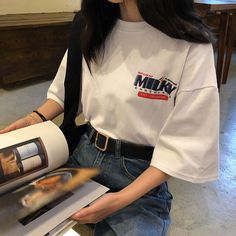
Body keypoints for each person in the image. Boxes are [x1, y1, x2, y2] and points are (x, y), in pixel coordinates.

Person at [0, 0, 219, 235]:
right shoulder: (91, 26)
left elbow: (184, 145)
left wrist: (121, 199)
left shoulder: (190, 45)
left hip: (139, 178)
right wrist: (34, 118)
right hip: (82, 159)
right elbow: (67, 90)